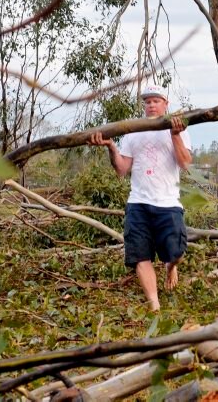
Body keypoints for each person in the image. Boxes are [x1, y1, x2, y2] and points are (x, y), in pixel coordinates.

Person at [89, 85, 192, 312]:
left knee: (176, 253)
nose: (151, 105)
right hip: (138, 203)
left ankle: (170, 266)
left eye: (156, 101)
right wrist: (110, 146)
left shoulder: (179, 128)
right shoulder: (133, 131)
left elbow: (185, 164)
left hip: (168, 203)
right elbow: (122, 170)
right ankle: (154, 307)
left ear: (166, 104)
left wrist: (175, 135)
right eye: (147, 102)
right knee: (140, 256)